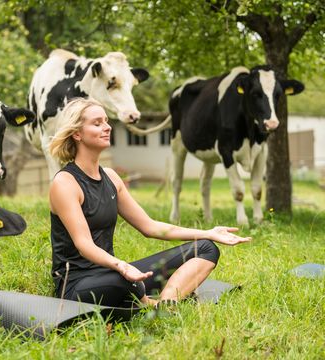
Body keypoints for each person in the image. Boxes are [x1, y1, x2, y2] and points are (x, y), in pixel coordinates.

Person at [48, 98, 251, 308]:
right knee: (130, 282)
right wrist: (121, 266)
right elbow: (84, 245)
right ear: (77, 133)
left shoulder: (111, 178)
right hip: (77, 284)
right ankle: (148, 303)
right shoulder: (65, 183)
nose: (107, 127)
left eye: (107, 121)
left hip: (111, 273)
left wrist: (208, 233)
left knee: (207, 249)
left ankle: (166, 303)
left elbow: (150, 227)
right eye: (97, 123)